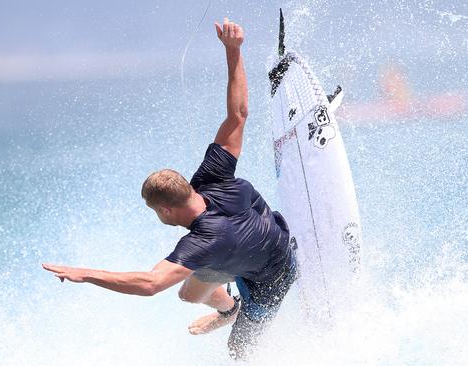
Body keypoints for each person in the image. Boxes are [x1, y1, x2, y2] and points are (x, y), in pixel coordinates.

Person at [42, 17, 297, 359]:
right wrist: (234, 51)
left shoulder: (201, 242)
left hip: (272, 279)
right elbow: (238, 115)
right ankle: (229, 308)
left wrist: (86, 274)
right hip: (262, 239)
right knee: (190, 293)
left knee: (238, 351)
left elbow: (150, 285)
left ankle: (243, 308)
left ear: (164, 209)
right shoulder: (211, 177)